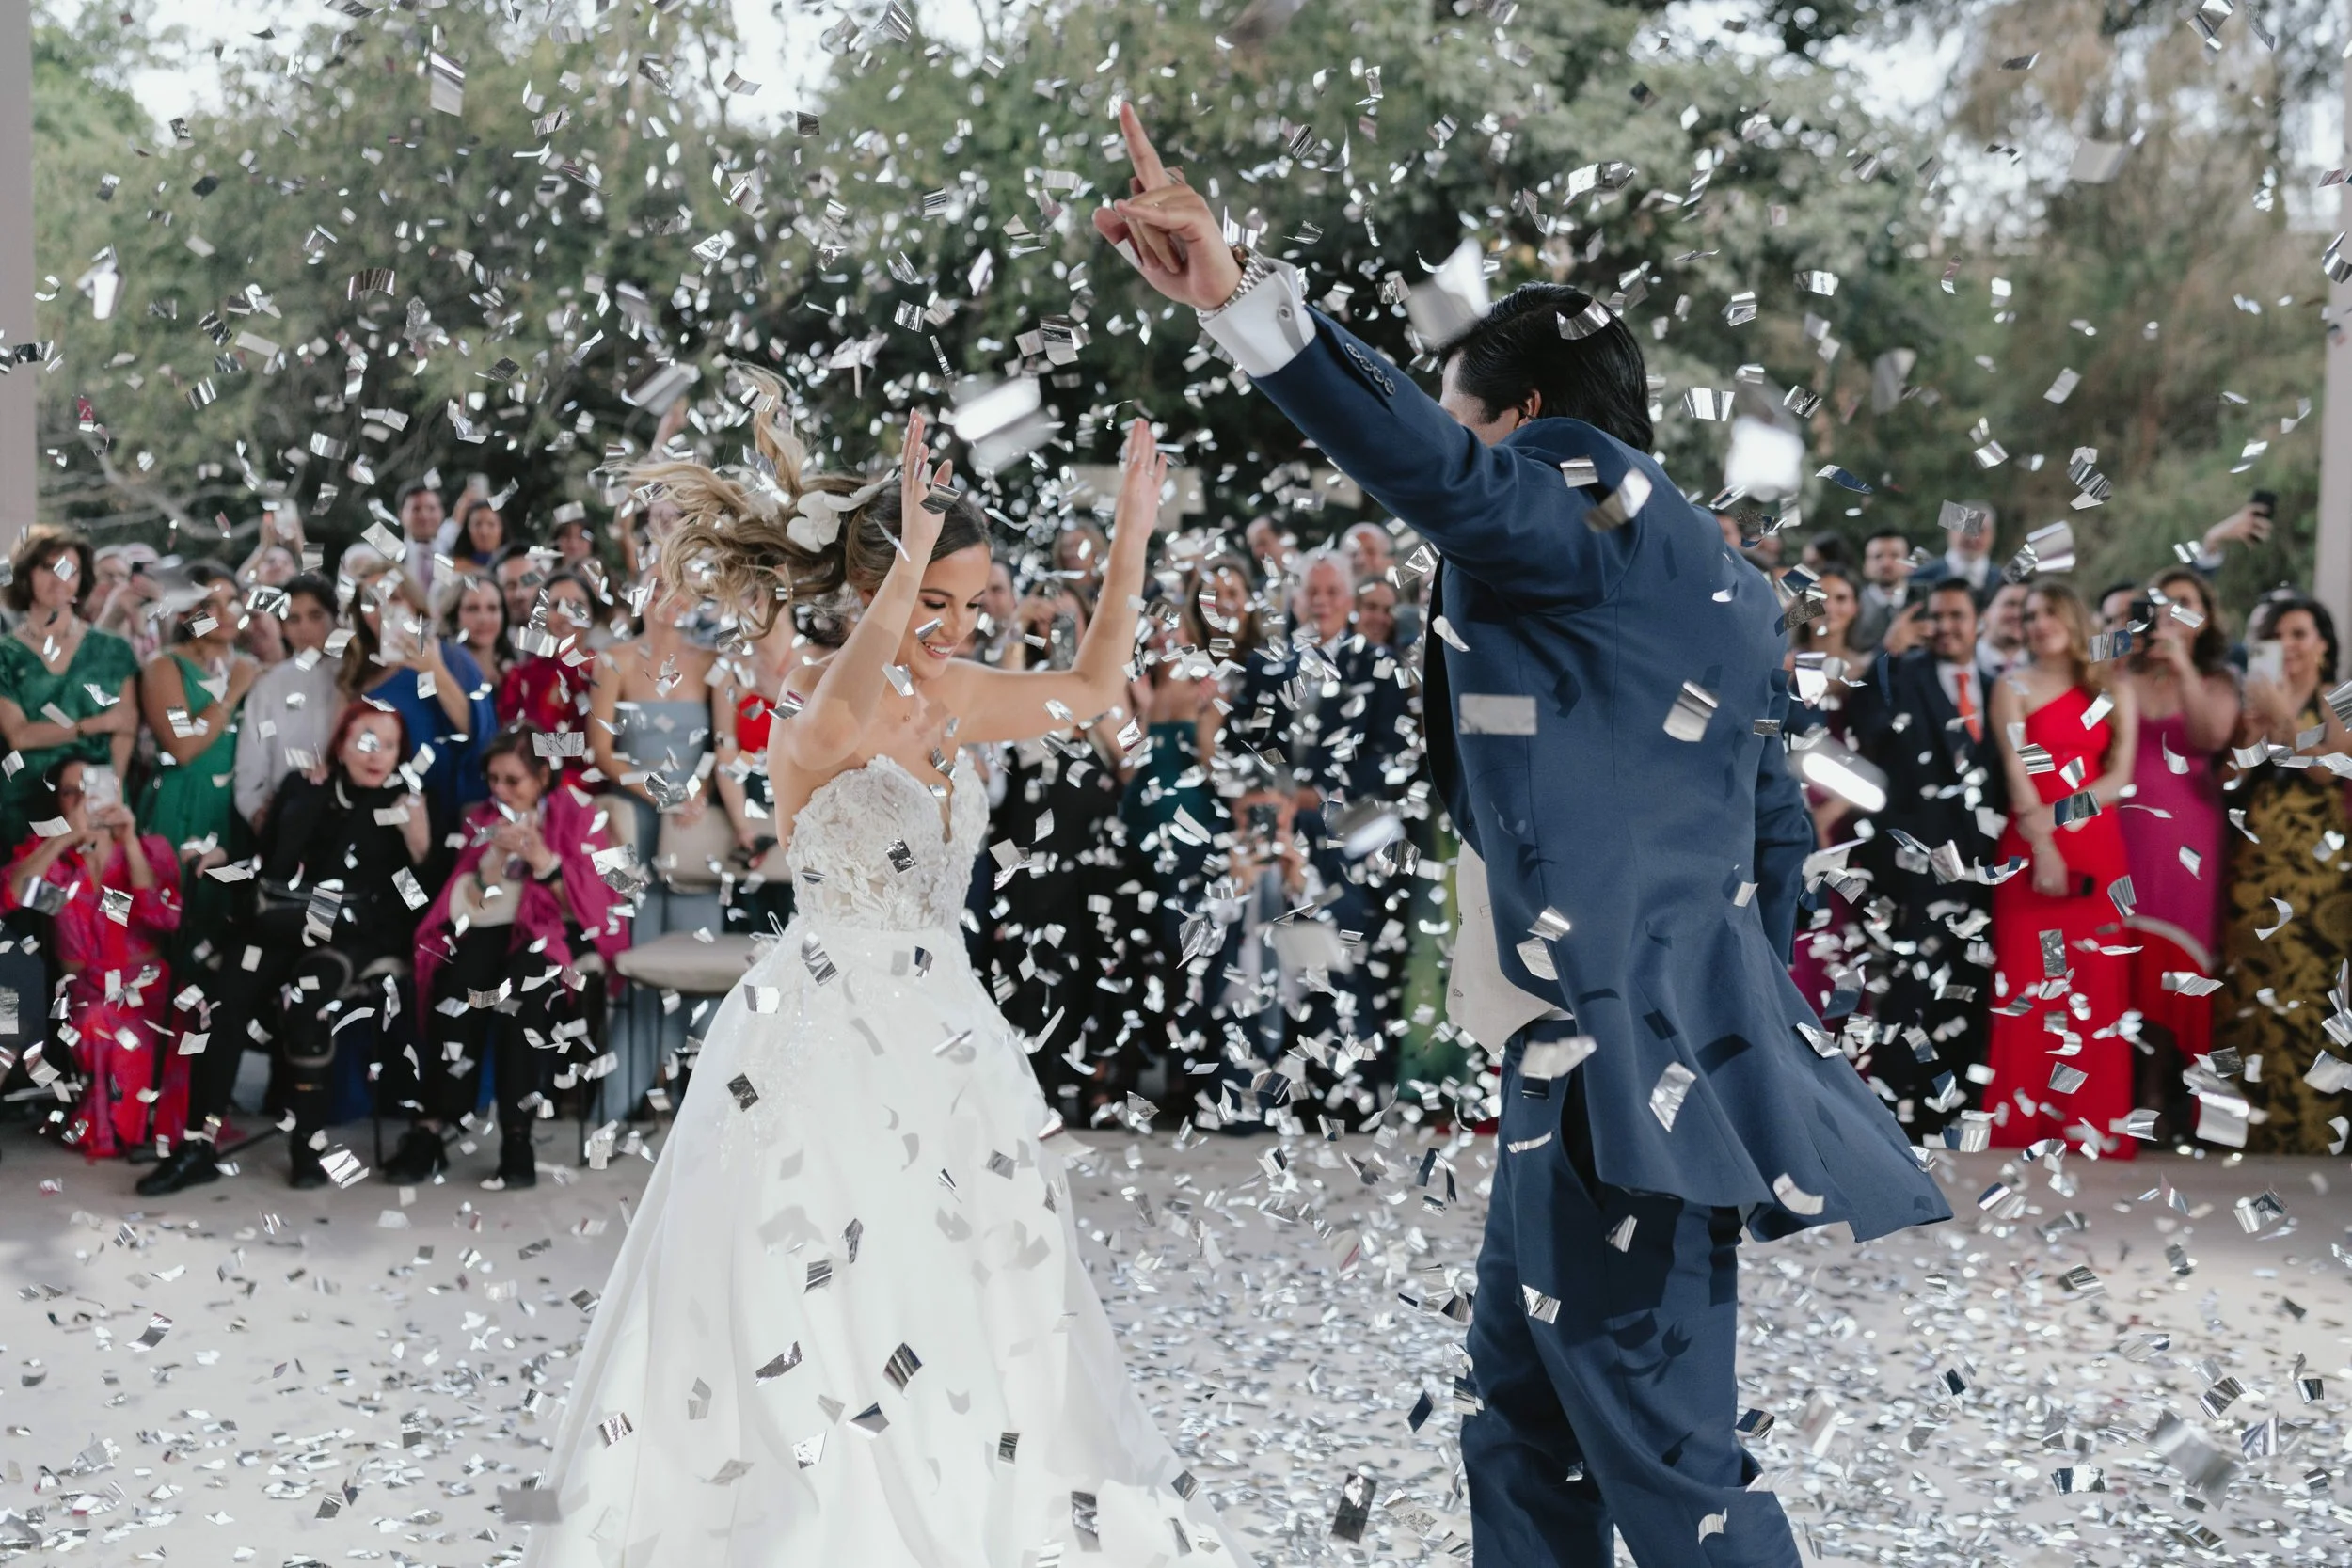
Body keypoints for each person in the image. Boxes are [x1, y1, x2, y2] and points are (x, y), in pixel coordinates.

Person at [1099, 101, 1946, 1566]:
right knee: (1521, 1410)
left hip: (1622, 1068)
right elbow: (1777, 846)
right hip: (1619, 1056)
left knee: (1663, 1454)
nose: (1459, 462)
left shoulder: (1586, 508)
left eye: (1467, 418)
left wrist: (1239, 303)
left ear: (1530, 420)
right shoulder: (1725, 577)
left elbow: (1440, 474)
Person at [513, 384, 1243, 1562]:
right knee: (809, 1287)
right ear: (876, 586)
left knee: (969, 1278)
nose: (952, 626)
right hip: (819, 1035)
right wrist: (902, 563)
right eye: (930, 598)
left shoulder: (956, 695)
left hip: (945, 1029)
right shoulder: (815, 709)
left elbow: (1097, 690)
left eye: (972, 602)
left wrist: (1131, 540)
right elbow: (849, 708)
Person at [138, 704, 435, 1195]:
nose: (375, 754)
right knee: (223, 999)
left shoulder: (405, 802)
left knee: (306, 998)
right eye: (364, 741)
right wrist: (223, 858)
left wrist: (420, 844)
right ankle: (198, 1147)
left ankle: (307, 1145)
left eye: (387, 745)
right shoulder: (305, 787)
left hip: (351, 933)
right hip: (280, 923)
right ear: (340, 744)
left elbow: (418, 897)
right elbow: (268, 860)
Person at [389, 726, 628, 1188]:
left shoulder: (579, 814)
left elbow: (603, 903)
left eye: (512, 780)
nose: (499, 790)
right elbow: (468, 902)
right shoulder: (481, 817)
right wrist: (492, 867)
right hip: (493, 925)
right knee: (456, 985)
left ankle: (517, 1137)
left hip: (557, 930)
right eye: (493, 779)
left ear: (543, 775)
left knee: (527, 995)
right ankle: (434, 1126)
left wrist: (545, 861)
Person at [1980, 582, 2137, 1157]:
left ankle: (2089, 1124)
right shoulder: (2012, 687)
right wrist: (2042, 839)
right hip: (2030, 847)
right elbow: (2019, 773)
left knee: (2094, 986)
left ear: (2073, 618)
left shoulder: (2115, 687)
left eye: (2050, 611)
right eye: (2029, 614)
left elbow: (2119, 777)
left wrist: (2059, 819)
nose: (2039, 622)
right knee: (2032, 982)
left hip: (2098, 847)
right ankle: (2027, 1125)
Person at [1843, 577, 2001, 1136]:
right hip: (1918, 863)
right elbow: (1861, 727)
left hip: (1987, 866)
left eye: (1958, 615)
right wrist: (1887, 651)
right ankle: (1898, 1109)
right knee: (1913, 983)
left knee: (1972, 980)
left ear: (1978, 621)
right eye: (1936, 616)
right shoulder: (1899, 679)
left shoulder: (1994, 684)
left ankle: (1957, 1106)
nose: (1946, 627)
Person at [2222, 593, 2352, 1152]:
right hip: (2257, 866)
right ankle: (2249, 1131)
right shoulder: (2251, 698)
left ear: (2323, 643)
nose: (2292, 646)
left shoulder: (2338, 697)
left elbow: (2332, 767)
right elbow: (2231, 778)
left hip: (2320, 872)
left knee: (2315, 993)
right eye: (2280, 637)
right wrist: (2256, 730)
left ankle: (2311, 1131)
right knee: (2252, 984)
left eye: (2301, 634)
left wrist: (2280, 716)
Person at [3, 758, 183, 1159]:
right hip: (86, 986)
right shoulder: (55, 863)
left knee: (167, 1014)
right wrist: (63, 840)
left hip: (148, 981)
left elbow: (164, 917)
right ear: (60, 801)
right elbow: (12, 895)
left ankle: (150, 1126)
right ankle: (122, 1128)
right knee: (99, 1017)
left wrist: (129, 840)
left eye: (94, 786)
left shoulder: (151, 848)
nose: (85, 798)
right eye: (72, 790)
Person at [2115, 569, 2238, 1135]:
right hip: (2126, 833)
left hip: (2189, 840)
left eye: (2187, 603)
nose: (2174, 610)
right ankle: (2123, 1090)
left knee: (2176, 966)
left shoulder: (2216, 680)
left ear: (2206, 616)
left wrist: (2181, 661)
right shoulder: (2125, 674)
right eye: (2165, 602)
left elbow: (2210, 737)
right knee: (2125, 966)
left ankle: (2163, 1092)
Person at [136, 562, 258, 975]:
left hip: (233, 810)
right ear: (186, 613)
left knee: (225, 935)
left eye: (232, 602)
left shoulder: (251, 664)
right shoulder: (163, 665)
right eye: (210, 604)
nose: (225, 613)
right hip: (179, 803)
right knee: (173, 928)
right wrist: (232, 691)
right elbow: (182, 745)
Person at [0, 528, 140, 848]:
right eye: (48, 567)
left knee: (100, 895)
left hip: (97, 798)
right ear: (26, 573)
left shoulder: (113, 649)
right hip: (24, 800)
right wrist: (97, 724)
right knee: (26, 896)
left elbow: (125, 730)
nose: (60, 578)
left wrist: (112, 790)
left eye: (71, 570)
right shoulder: (5, 653)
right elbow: (19, 735)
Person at [340, 570, 497, 839]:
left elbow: (480, 732)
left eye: (395, 597)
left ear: (413, 603)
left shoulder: (450, 656)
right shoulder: (358, 674)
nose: (384, 608)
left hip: (443, 807)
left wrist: (434, 670)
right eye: (373, 601)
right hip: (377, 814)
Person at [232, 573, 342, 829]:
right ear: (282, 626)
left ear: (334, 618)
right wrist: (256, 811)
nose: (304, 627)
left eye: (315, 616)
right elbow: (252, 759)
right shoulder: (270, 684)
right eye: (294, 619)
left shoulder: (355, 676)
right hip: (287, 815)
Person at [495, 568, 597, 780]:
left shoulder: (606, 671)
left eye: (578, 605)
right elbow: (512, 745)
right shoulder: (519, 678)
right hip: (532, 790)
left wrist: (541, 744)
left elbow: (611, 745)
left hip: (596, 791)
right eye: (555, 605)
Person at [1912, 505, 1996, 603]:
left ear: (1992, 535)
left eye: (1981, 530)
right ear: (1949, 532)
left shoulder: (2004, 583)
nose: (1972, 539)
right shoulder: (1918, 579)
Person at [1850, 526, 1915, 652]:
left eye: (1895, 556)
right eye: (1877, 556)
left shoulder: (1928, 600)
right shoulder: (1850, 603)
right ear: (1865, 564)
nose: (1886, 563)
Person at [447, 573, 512, 689]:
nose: (483, 619)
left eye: (492, 608)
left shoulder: (513, 675)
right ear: (455, 616)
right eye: (472, 609)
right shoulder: (443, 673)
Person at [395, 479, 445, 594]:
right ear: (400, 515)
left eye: (431, 508)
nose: (424, 516)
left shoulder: (456, 554)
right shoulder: (389, 559)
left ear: (442, 512)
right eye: (416, 509)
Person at [1979, 579, 2028, 676]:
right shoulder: (1962, 661)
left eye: (2025, 606)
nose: (2018, 614)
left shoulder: (2047, 668)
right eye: (2010, 604)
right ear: (1985, 614)